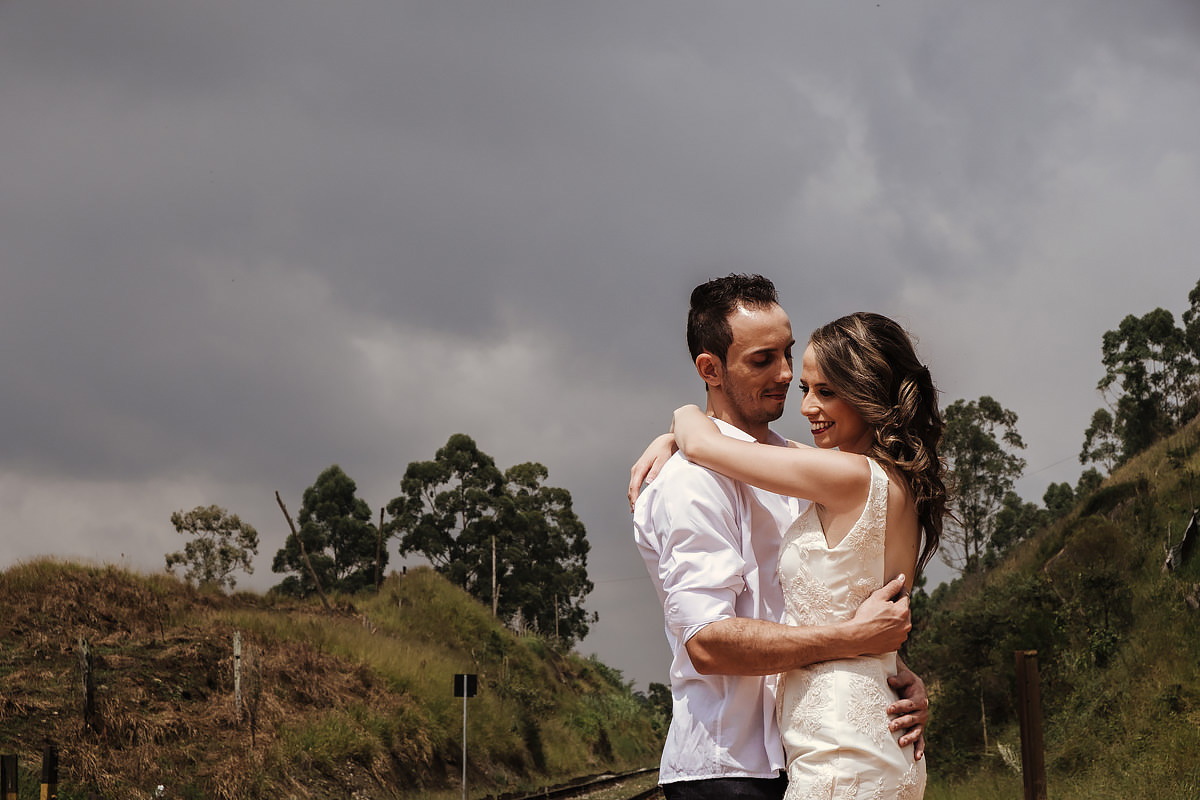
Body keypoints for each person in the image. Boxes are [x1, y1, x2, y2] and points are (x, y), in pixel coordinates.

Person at [630, 275, 930, 800]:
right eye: (763, 359)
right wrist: (857, 642)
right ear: (710, 369)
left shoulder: (809, 470)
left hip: (814, 750)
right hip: (730, 768)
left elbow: (834, 605)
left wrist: (892, 670)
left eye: (789, 355)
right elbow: (707, 641)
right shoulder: (691, 479)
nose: (788, 377)